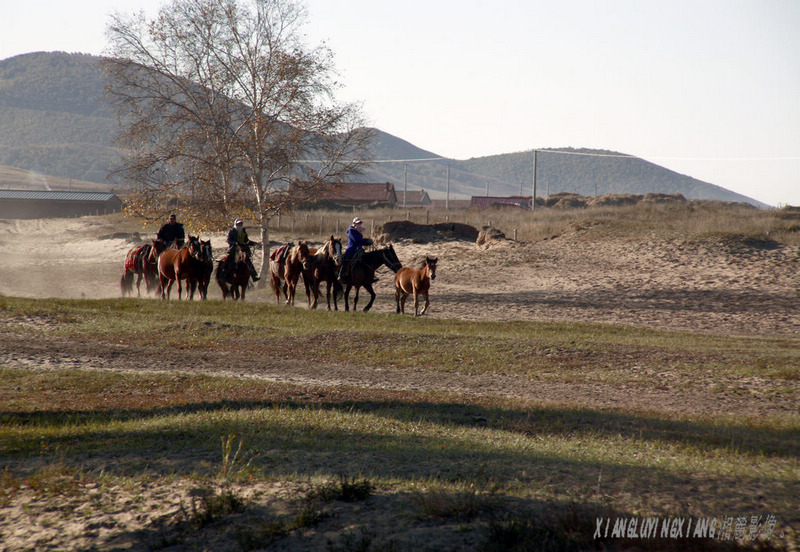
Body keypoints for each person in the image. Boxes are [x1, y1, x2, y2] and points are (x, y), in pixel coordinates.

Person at [338, 217, 373, 282]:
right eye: (358, 223)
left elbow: (359, 241)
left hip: (359, 249)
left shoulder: (357, 230)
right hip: (351, 250)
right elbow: (356, 240)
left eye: (360, 223)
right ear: (354, 223)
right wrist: (366, 241)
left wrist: (367, 242)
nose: (359, 224)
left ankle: (368, 276)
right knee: (346, 261)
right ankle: (341, 276)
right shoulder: (351, 230)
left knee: (367, 261)